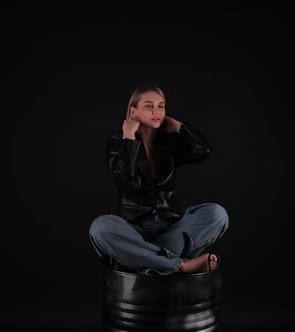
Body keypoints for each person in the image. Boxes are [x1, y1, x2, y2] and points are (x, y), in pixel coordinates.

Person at [88, 85, 229, 275]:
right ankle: (180, 265)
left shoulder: (167, 142)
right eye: (149, 106)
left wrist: (179, 126)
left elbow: (203, 151)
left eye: (161, 106)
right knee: (101, 227)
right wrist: (129, 136)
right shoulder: (118, 139)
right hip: (135, 230)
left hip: (171, 228)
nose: (157, 111)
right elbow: (125, 175)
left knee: (217, 214)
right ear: (133, 111)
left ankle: (141, 259)